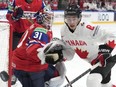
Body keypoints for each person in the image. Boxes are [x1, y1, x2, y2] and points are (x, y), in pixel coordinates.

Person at [50, 4, 116, 87]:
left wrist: (105, 51)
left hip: (104, 60)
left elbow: (113, 36)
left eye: (74, 18)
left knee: (92, 80)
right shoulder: (64, 31)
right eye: (68, 19)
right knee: (106, 85)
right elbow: (70, 52)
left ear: (79, 18)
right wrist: (60, 55)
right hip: (93, 62)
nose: (71, 22)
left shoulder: (87, 28)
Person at [12, 13, 66, 87]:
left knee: (53, 73)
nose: (49, 22)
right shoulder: (41, 30)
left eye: (51, 19)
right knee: (54, 75)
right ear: (41, 20)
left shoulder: (37, 27)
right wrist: (51, 56)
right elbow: (32, 51)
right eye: (47, 19)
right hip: (27, 66)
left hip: (20, 64)